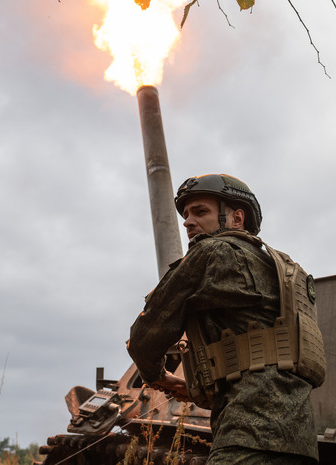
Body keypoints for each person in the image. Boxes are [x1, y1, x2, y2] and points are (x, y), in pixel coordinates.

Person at [127, 174, 324, 465]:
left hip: (243, 441)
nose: (188, 222)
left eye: (200, 211)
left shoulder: (210, 253)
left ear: (236, 218)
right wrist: (194, 388)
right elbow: (259, 361)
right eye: (185, 215)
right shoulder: (285, 271)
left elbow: (144, 340)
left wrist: (158, 376)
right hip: (300, 446)